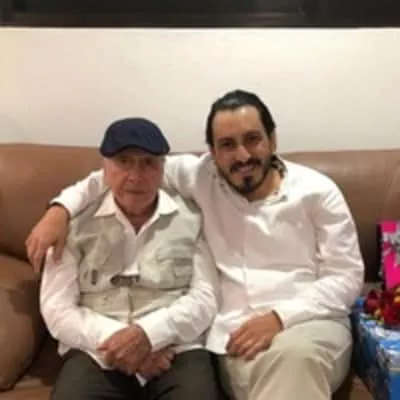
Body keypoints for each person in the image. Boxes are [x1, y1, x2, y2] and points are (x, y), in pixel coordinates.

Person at [28, 90, 364, 400]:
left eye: (253, 139)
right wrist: (60, 209)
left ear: (272, 140)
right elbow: (118, 175)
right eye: (227, 145)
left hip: (306, 324)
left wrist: (279, 317)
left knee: (295, 359)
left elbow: (346, 277)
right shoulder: (200, 176)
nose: (242, 155)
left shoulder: (318, 192)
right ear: (212, 153)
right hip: (235, 338)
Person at [39, 117, 222, 400]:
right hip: (97, 351)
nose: (136, 176)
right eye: (124, 162)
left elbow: (205, 298)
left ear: (163, 168)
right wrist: (121, 342)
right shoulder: (72, 225)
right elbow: (57, 308)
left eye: (148, 163)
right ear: (105, 168)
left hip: (175, 348)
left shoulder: (193, 218)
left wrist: (149, 335)